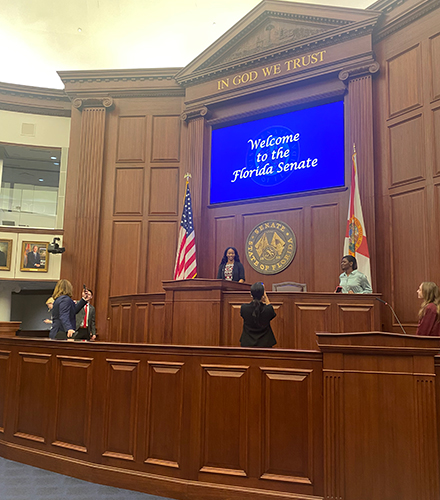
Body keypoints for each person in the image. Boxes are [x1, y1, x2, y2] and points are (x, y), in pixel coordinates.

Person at [240, 282, 276, 347]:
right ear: (263, 294)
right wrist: (265, 296)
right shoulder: (267, 309)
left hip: (247, 343)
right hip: (265, 344)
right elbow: (270, 309)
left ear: (251, 294)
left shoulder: (244, 308)